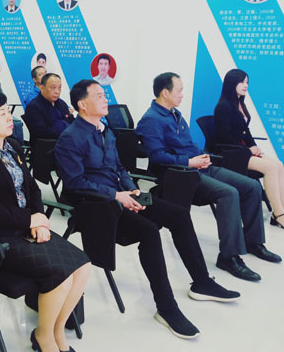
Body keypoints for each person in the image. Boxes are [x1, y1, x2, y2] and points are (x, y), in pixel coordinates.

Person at [55, 80, 240, 340]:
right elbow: (75, 183)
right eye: (98, 96)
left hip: (121, 196)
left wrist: (131, 189)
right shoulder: (70, 138)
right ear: (82, 104)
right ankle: (167, 308)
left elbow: (119, 168)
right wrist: (116, 195)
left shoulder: (106, 130)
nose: (105, 99)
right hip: (96, 207)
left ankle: (202, 281)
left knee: (179, 215)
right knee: (150, 232)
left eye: (104, 94)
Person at [0, 89, 91, 352]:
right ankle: (44, 337)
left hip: (26, 225)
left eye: (8, 111)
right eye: (2, 114)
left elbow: (31, 189)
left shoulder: (13, 147)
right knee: (61, 275)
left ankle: (56, 331)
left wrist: (39, 220)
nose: (10, 117)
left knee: (84, 266)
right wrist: (29, 220)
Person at [136, 72, 281, 282]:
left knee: (252, 186)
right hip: (181, 174)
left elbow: (187, 145)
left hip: (199, 166)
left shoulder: (175, 114)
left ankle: (253, 242)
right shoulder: (151, 120)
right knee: (229, 193)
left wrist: (202, 157)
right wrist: (189, 162)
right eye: (179, 91)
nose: (182, 95)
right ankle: (228, 256)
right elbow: (157, 156)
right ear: (165, 92)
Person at [214, 68, 284, 228]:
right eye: (241, 82)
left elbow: (245, 131)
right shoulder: (224, 106)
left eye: (247, 82)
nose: (245, 85)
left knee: (279, 165)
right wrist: (248, 150)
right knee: (270, 168)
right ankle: (279, 214)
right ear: (231, 83)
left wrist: (253, 146)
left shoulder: (239, 103)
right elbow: (223, 137)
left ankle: (281, 210)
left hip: (243, 151)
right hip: (231, 154)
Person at [24, 73, 73, 144]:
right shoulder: (33, 107)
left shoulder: (61, 103)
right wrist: (67, 133)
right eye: (53, 87)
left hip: (67, 141)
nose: (57, 91)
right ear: (42, 88)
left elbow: (70, 121)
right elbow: (42, 132)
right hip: (48, 145)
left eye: (59, 88)